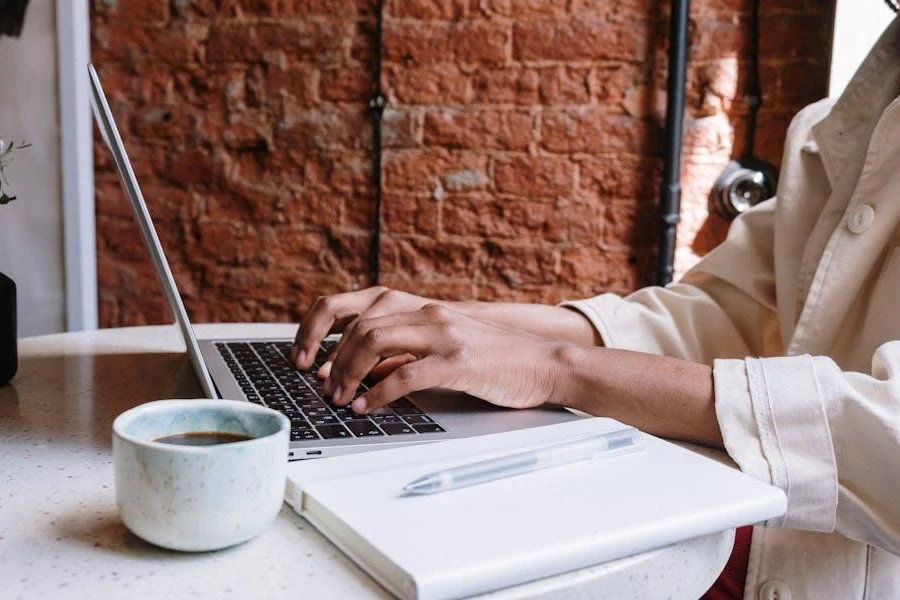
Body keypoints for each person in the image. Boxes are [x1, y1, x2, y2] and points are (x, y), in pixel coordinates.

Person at [290, 17, 900, 600]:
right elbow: (718, 312)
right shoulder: (851, 114)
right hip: (755, 544)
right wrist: (456, 323)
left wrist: (557, 368)